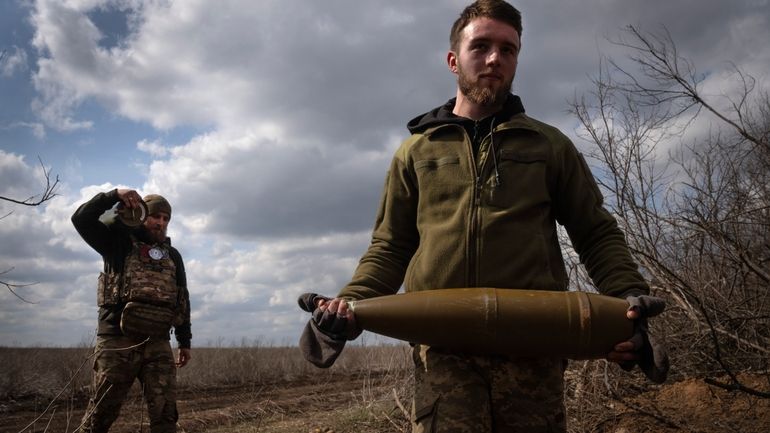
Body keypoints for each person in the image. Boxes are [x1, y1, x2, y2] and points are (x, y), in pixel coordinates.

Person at [305, 1, 668, 432]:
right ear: (454, 60)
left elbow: (595, 232)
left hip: (533, 348)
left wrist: (627, 297)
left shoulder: (549, 146)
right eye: (481, 46)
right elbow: (390, 246)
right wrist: (349, 304)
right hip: (444, 354)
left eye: (508, 49)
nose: (495, 58)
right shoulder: (416, 152)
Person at [72, 188, 192, 433]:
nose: (160, 223)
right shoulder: (116, 241)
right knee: (100, 416)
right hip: (118, 342)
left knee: (166, 415)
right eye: (155, 216)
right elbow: (81, 219)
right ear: (141, 213)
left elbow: (181, 298)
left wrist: (184, 340)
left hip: (158, 341)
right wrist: (115, 194)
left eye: (165, 218)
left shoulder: (173, 255)